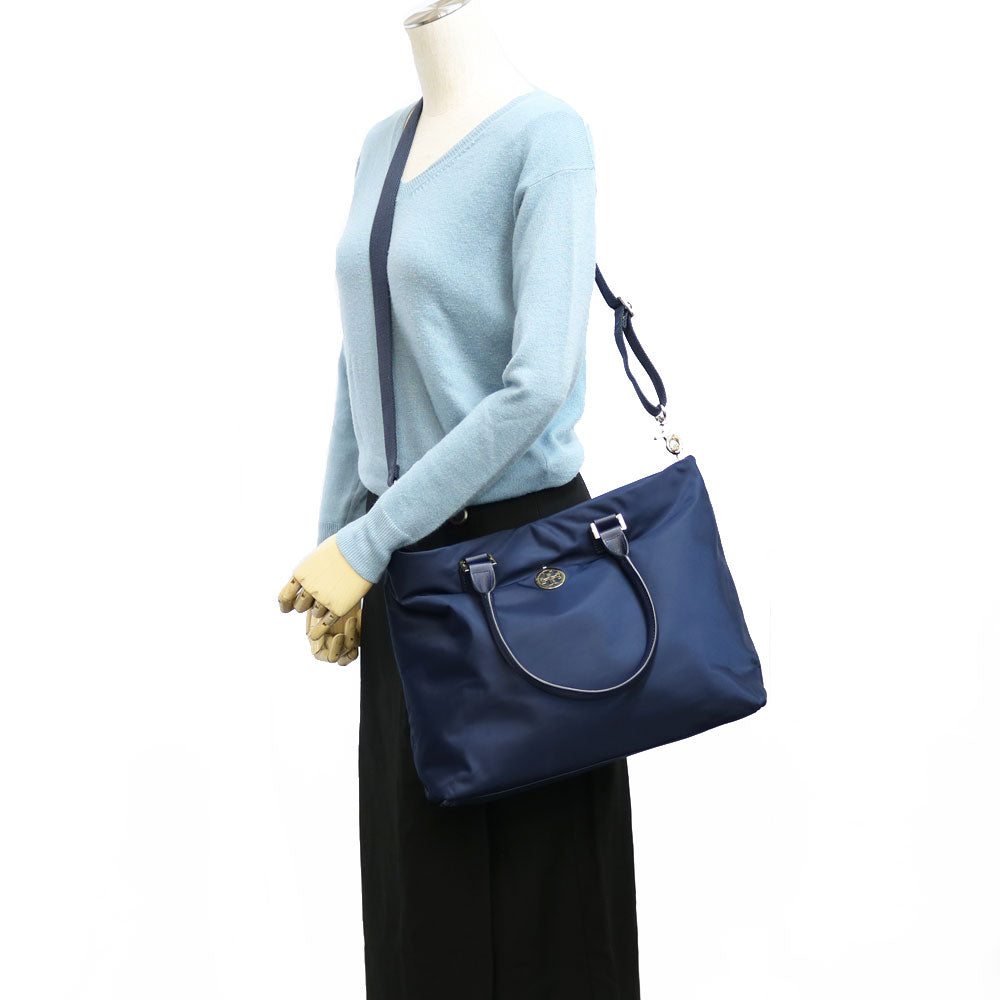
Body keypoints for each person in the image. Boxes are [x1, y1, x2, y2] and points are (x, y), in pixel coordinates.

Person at [277, 4, 641, 997]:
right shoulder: (378, 147)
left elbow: (535, 386)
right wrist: (339, 542)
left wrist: (367, 541)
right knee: (419, 910)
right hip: (406, 571)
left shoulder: (547, 138)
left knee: (552, 913)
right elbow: (362, 354)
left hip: (531, 567)